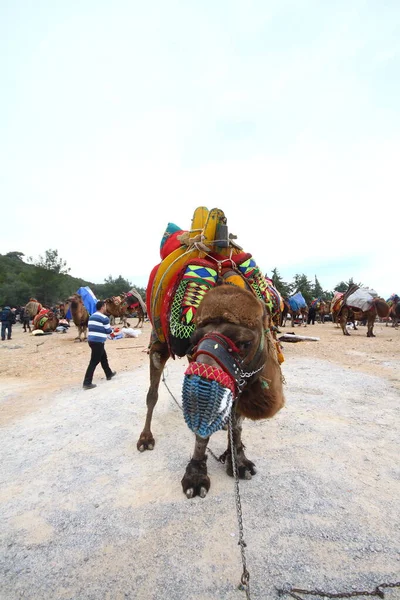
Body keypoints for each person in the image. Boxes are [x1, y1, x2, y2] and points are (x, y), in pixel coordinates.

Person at [83, 300, 116, 390]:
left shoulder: (92, 316)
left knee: (103, 357)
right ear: (102, 307)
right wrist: (114, 330)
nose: (106, 308)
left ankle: (108, 373)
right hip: (98, 341)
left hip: (91, 340)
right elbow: (108, 331)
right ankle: (87, 382)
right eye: (105, 306)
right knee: (94, 361)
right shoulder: (104, 318)